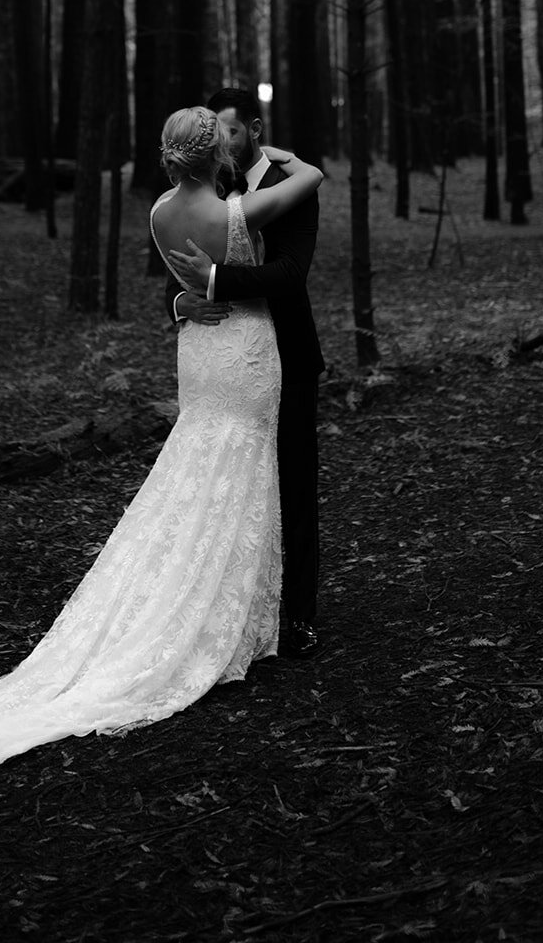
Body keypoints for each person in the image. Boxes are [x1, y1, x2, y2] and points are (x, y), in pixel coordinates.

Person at [0, 107, 322, 779]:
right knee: (237, 472)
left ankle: (206, 598)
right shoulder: (238, 213)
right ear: (212, 153)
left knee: (195, 469)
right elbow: (309, 178)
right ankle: (222, 613)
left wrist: (185, 296)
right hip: (245, 352)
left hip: (201, 354)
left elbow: (201, 279)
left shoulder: (160, 212)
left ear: (169, 160)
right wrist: (274, 157)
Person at [164, 87, 324, 659]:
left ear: (253, 129)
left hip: (287, 356)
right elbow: (175, 278)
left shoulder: (288, 192)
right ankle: (228, 612)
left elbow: (289, 273)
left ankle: (299, 617)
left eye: (230, 131)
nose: (222, 143)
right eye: (215, 134)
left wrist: (215, 281)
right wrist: (182, 304)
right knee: (230, 487)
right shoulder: (211, 186)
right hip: (229, 362)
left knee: (294, 487)